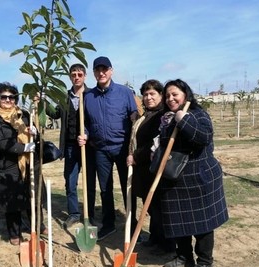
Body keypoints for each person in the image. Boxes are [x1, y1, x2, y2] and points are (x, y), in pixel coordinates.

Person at [156, 79, 229, 267]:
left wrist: (183, 119)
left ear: (185, 95)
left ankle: (205, 261)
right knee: (179, 221)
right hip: (175, 178)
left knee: (202, 224)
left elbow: (203, 137)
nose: (171, 99)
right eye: (168, 95)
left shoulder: (198, 114)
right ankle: (184, 256)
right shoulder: (167, 118)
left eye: (175, 94)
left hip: (198, 177)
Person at [78, 56, 138, 240]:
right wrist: (85, 134)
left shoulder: (125, 93)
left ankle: (132, 224)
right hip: (100, 150)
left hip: (121, 148)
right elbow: (85, 122)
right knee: (105, 189)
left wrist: (134, 146)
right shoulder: (88, 97)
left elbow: (134, 118)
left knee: (128, 188)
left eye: (105, 69)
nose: (101, 73)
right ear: (94, 73)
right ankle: (109, 223)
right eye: (98, 70)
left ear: (111, 71)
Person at [37, 63, 97, 229]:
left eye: (79, 74)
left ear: (85, 76)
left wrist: (88, 135)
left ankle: (89, 214)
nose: (76, 77)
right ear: (70, 77)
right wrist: (42, 102)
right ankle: (74, 214)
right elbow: (56, 113)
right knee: (70, 182)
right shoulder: (65, 97)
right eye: (73, 75)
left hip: (88, 146)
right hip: (70, 146)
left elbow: (97, 120)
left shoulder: (92, 95)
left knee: (89, 182)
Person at [0, 81, 47, 245]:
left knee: (33, 195)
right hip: (8, 165)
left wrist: (34, 133)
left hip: (29, 164)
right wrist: (24, 147)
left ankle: (38, 225)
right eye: (4, 97)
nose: (8, 100)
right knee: (12, 201)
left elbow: (37, 135)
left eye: (12, 97)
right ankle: (15, 233)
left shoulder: (25, 115)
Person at [127, 79, 175, 253]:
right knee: (152, 206)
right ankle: (155, 238)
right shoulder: (146, 115)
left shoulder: (161, 116)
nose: (148, 97)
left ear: (161, 96)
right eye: (145, 94)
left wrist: (135, 157)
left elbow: (153, 144)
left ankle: (166, 244)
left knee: (159, 207)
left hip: (154, 168)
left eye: (152, 94)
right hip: (144, 170)